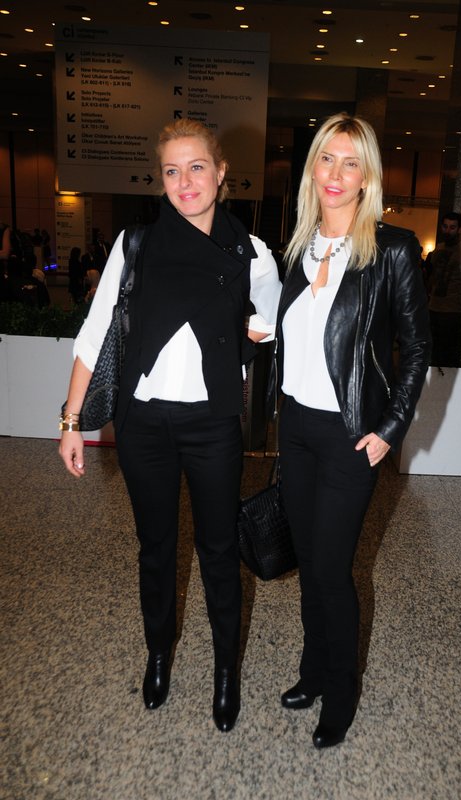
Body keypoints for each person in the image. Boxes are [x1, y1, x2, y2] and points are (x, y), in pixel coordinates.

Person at [59, 118, 281, 731]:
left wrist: (243, 337)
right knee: (155, 548)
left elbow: (270, 321)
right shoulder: (135, 244)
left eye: (197, 167)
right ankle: (159, 654)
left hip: (213, 425)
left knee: (218, 550)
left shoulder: (251, 253)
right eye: (172, 171)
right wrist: (72, 419)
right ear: (161, 179)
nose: (185, 182)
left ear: (221, 172)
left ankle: (226, 669)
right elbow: (95, 333)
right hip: (144, 424)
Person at [269, 113, 431, 749]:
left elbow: (417, 349)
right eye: (326, 159)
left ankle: (342, 691)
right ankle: (312, 670)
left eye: (350, 162)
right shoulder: (298, 246)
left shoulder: (391, 250)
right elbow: (299, 335)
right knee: (310, 561)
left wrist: (390, 428)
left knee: (333, 568)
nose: (336, 174)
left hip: (351, 434)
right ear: (313, 168)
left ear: (368, 177)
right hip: (296, 429)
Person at [426, 211, 461, 367]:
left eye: (452, 227)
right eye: (445, 226)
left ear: (460, 229)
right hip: (433, 308)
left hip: (452, 311)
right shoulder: (439, 248)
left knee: (448, 356)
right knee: (431, 352)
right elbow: (433, 277)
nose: (448, 231)